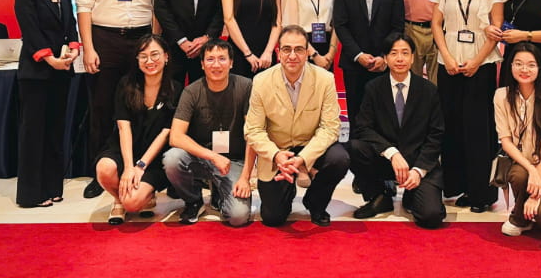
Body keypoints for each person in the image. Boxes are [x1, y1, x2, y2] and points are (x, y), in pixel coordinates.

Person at [75, 0, 159, 199]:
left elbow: (155, 7)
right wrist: (89, 48)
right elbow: (83, 6)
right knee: (101, 106)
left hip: (140, 40)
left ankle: (137, 166)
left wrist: (156, 45)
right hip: (105, 39)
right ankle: (100, 172)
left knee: (139, 106)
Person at [431, 0, 509, 212]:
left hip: (482, 66)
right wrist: (448, 58)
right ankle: (457, 185)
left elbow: (495, 29)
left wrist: (476, 61)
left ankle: (481, 194)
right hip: (448, 64)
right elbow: (436, 24)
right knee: (452, 127)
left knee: (478, 130)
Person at [244, 25, 349, 227]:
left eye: (299, 49)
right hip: (278, 151)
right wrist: (276, 155)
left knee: (339, 158)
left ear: (307, 52)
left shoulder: (325, 79)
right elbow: (253, 130)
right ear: (278, 52)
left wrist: (303, 159)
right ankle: (287, 187)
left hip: (310, 146)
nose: (292, 55)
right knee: (273, 218)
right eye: (286, 49)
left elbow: (330, 128)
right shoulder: (261, 81)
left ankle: (315, 203)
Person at [350, 33, 445, 228]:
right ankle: (379, 195)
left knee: (431, 216)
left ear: (412, 57)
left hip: (419, 163)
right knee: (353, 147)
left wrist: (418, 171)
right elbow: (362, 127)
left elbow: (436, 135)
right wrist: (392, 153)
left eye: (405, 53)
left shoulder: (428, 90)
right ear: (385, 58)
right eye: (394, 53)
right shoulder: (373, 88)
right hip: (386, 160)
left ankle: (412, 194)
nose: (400, 59)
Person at [14, 0, 79, 208]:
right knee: (34, 133)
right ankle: (31, 194)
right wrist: (49, 58)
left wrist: (74, 51)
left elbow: (71, 28)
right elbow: (30, 31)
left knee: (55, 131)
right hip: (37, 74)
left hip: (61, 73)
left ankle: (52, 187)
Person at [163, 39, 254, 226]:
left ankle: (219, 195)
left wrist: (245, 177)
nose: (216, 65)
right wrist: (213, 157)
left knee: (238, 217)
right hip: (202, 159)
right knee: (172, 159)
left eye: (222, 59)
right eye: (210, 59)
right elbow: (176, 136)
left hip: (234, 160)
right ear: (202, 65)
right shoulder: (191, 91)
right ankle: (193, 200)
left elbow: (253, 133)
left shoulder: (246, 87)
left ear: (231, 63)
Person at [95, 34, 180, 225]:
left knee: (132, 204)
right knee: (104, 169)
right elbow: (123, 127)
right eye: (143, 56)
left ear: (166, 57)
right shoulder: (126, 85)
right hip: (124, 149)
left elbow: (165, 133)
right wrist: (127, 168)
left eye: (155, 55)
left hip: (153, 157)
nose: (149, 61)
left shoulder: (175, 89)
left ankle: (142, 195)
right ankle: (118, 200)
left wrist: (141, 165)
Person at [493, 42, 541, 236]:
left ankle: (524, 216)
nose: (524, 69)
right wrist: (530, 170)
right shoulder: (501, 96)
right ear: (510, 66)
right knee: (518, 175)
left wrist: (537, 186)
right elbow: (505, 141)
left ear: (539, 68)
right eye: (518, 63)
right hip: (521, 162)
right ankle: (521, 218)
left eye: (531, 65)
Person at [333, 0, 405, 124]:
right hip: (354, 63)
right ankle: (356, 152)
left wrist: (384, 56)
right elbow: (340, 25)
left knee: (384, 116)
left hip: (383, 64)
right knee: (356, 114)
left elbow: (397, 26)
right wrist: (358, 55)